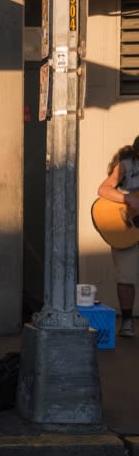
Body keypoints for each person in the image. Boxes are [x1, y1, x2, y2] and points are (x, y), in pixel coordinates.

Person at [96, 135, 139, 338]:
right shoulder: (125, 165)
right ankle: (128, 320)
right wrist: (128, 198)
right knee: (126, 277)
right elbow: (103, 189)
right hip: (127, 229)